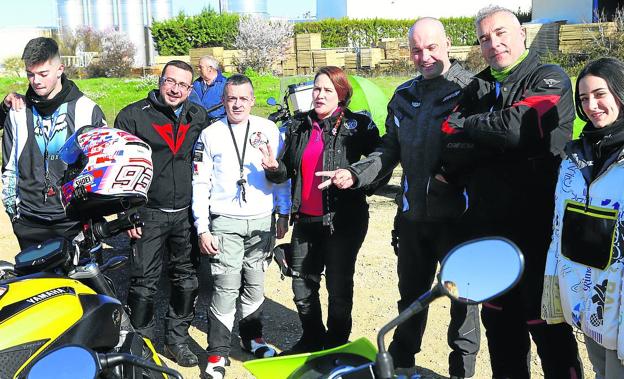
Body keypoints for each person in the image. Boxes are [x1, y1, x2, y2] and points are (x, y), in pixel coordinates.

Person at [317, 19, 480, 378]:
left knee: (463, 303)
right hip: (412, 218)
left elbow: (485, 150)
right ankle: (402, 365)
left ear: (448, 44)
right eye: (417, 49)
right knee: (410, 298)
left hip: (459, 219)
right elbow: (388, 149)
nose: (424, 56)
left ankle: (460, 372)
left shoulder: (473, 89)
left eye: (432, 47)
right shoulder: (404, 94)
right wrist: (355, 173)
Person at [435, 6, 583, 378]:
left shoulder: (549, 76)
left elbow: (522, 126)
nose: (493, 43)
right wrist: (494, 136)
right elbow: (449, 142)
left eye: (501, 33)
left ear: (522, 35)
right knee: (502, 336)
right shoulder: (477, 86)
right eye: (485, 38)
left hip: (540, 235)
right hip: (489, 237)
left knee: (550, 336)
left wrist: (474, 130)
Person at [261, 66, 383, 355]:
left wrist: (355, 176)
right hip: (306, 218)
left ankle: (337, 344)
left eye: (327, 90)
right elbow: (287, 170)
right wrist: (274, 168)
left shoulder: (358, 126)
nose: (319, 94)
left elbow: (381, 162)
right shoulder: (299, 126)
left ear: (341, 94)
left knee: (339, 289)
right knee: (302, 286)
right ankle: (313, 338)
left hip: (343, 221)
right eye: (316, 89)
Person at [192, 74, 290, 379]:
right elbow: (200, 182)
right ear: (223, 101)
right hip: (224, 222)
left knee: (255, 285)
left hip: (262, 222)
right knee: (225, 287)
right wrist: (202, 228)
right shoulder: (210, 134)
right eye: (231, 98)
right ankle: (217, 354)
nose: (237, 104)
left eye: (243, 98)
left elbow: (282, 176)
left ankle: (252, 338)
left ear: (252, 100)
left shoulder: (269, 129)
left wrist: (283, 212)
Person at [114, 60, 210, 367]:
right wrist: (127, 212)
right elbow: (119, 168)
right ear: (160, 81)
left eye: (182, 85)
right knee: (144, 283)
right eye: (170, 82)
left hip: (185, 214)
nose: (175, 89)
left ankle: (176, 341)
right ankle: (140, 348)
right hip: (149, 213)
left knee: (187, 280)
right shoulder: (132, 116)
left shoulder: (198, 116)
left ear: (190, 89)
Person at [542, 57, 624, 379]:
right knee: (601, 370)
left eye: (600, 94)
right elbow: (558, 228)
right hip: (588, 298)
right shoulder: (574, 156)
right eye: (584, 98)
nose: (592, 105)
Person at [1, 37, 106, 250]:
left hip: (73, 220)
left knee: (78, 284)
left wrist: (91, 213)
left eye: (43, 74)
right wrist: (14, 215)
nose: (36, 81)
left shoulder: (87, 109)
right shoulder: (17, 111)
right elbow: (9, 167)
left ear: (60, 69)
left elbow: (101, 167)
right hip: (29, 221)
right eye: (30, 74)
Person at [189, 55, 227, 120]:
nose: (198, 69)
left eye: (200, 67)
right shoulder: (196, 84)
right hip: (198, 123)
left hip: (218, 123)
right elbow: (190, 102)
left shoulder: (225, 84)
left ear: (210, 68)